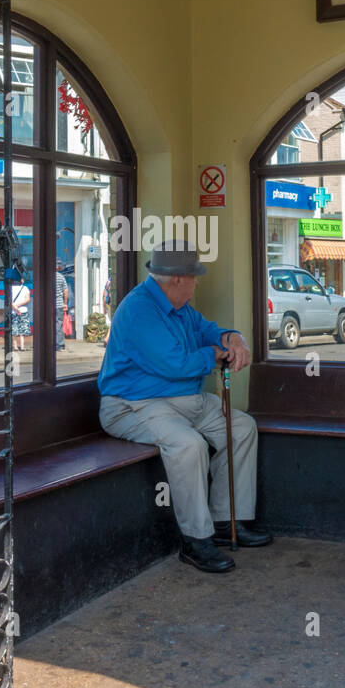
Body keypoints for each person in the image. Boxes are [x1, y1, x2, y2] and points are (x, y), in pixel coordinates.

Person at [97, 242, 270, 573]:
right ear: (177, 279)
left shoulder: (181, 309)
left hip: (181, 401)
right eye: (195, 277)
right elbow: (174, 364)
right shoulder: (139, 310)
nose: (197, 284)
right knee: (188, 444)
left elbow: (208, 331)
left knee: (242, 427)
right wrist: (216, 354)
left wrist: (232, 338)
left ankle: (226, 522)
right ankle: (195, 540)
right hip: (133, 405)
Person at [10, 278, 32, 352]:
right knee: (23, 329)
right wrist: (18, 306)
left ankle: (15, 347)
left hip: (13, 311)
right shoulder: (25, 288)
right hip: (23, 311)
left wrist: (15, 308)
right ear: (21, 280)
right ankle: (22, 347)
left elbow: (9, 300)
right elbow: (27, 299)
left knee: (14, 329)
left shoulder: (10, 288)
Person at [54, 270, 69, 352]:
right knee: (59, 324)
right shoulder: (60, 277)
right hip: (59, 305)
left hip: (48, 305)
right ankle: (60, 345)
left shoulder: (46, 277)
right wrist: (65, 303)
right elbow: (65, 291)